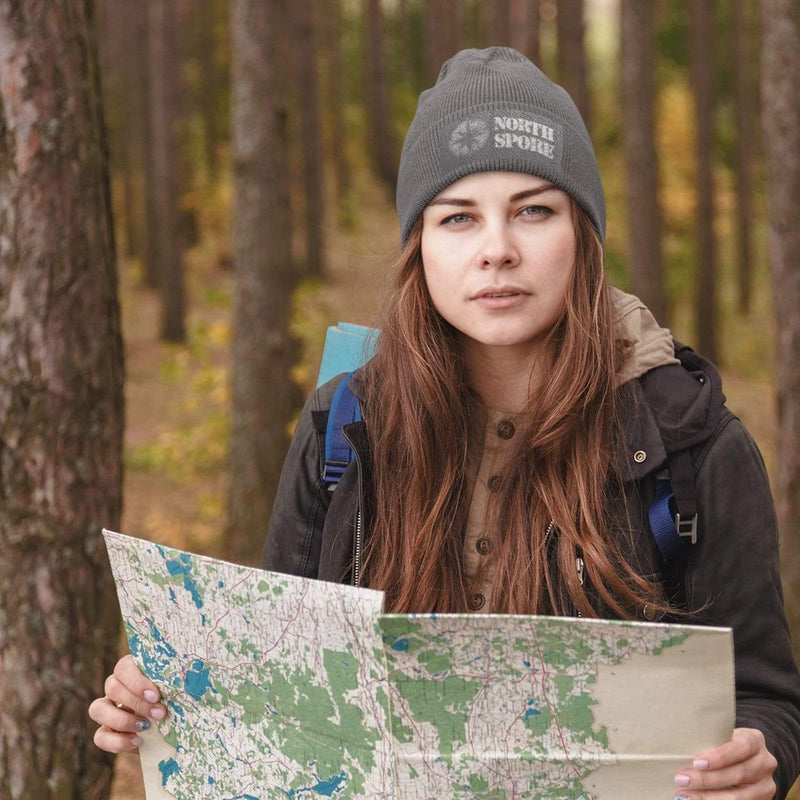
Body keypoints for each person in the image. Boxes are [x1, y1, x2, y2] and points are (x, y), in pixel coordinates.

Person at [90, 47, 800, 799]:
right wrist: (164, 703)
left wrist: (760, 756)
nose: (497, 250)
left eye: (534, 210)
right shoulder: (343, 428)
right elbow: (281, 685)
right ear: (419, 247)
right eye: (458, 217)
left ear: (583, 234)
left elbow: (767, 698)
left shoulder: (690, 442)